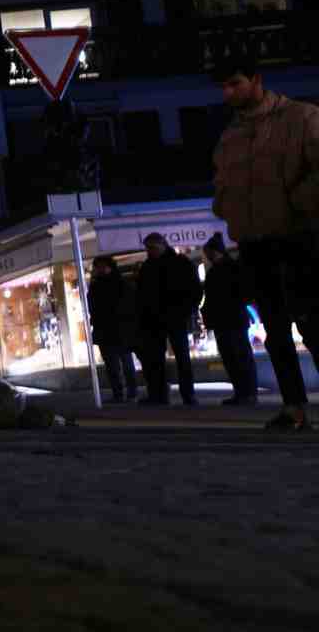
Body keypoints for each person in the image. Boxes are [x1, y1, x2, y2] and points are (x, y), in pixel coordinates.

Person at [211, 58, 319, 430]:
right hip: (255, 243)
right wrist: (226, 208)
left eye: (235, 83)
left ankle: (296, 408)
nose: (228, 93)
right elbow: (222, 185)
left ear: (256, 80)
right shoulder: (231, 136)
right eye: (224, 87)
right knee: (275, 331)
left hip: (300, 236)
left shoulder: (301, 118)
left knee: (313, 324)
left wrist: (298, 203)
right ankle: (294, 408)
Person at [135, 232, 203, 407]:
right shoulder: (152, 266)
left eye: (152, 248)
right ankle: (162, 394)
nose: (149, 251)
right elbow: (141, 294)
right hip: (158, 318)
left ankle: (184, 394)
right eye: (148, 248)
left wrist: (186, 310)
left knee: (179, 357)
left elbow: (194, 290)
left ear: (162, 245)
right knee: (159, 358)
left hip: (173, 316)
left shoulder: (178, 263)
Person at [199, 235, 259, 406]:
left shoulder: (223, 270)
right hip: (231, 319)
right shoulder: (227, 268)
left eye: (209, 253)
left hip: (229, 319)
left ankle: (245, 392)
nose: (208, 256)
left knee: (236, 356)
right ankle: (245, 392)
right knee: (236, 357)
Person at [87, 256, 140, 404]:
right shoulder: (97, 285)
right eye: (97, 267)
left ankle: (129, 392)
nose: (99, 269)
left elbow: (127, 304)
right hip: (107, 329)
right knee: (113, 364)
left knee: (124, 361)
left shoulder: (119, 283)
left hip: (118, 328)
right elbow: (92, 306)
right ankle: (120, 392)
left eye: (102, 266)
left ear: (109, 267)